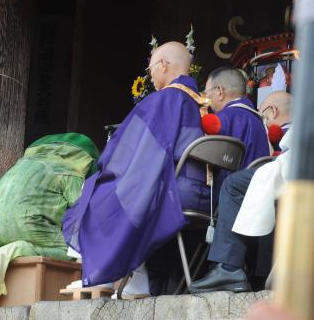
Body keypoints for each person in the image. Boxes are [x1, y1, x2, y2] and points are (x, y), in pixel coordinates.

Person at [62, 42, 211, 295]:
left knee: (98, 190)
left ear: (163, 65)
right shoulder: (204, 105)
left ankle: (102, 274)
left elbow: (132, 148)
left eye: (151, 68)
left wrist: (109, 164)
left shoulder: (166, 99)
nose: (150, 75)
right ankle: (139, 275)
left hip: (174, 190)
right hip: (205, 196)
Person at [0, 133, 100, 306]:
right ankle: (19, 248)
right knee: (74, 251)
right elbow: (82, 212)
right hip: (26, 226)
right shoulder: (71, 169)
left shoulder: (22, 164)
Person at [188, 92, 292, 293]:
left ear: (273, 111)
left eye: (264, 115)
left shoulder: (232, 116)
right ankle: (259, 278)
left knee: (233, 184)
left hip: (294, 168)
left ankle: (228, 267)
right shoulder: (261, 129)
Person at [203, 67, 270, 189]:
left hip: (233, 196)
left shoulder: (225, 118)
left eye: (207, 94)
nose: (207, 100)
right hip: (258, 189)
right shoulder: (257, 118)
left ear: (219, 91)